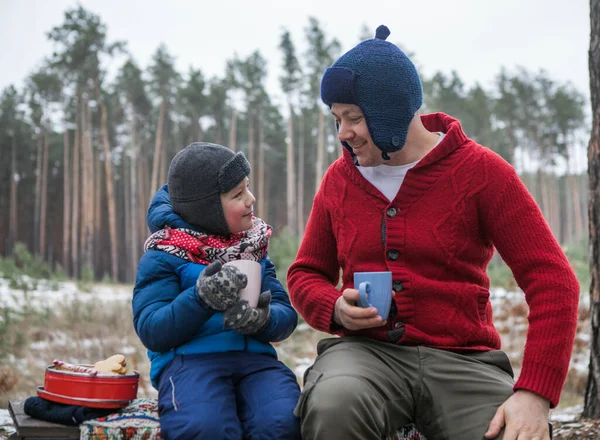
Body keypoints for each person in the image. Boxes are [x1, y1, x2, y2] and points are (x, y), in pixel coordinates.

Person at [287, 25, 579, 440]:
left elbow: (553, 280)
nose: (343, 133)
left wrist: (535, 392)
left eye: (354, 118)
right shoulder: (339, 179)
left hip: (465, 361)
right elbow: (304, 273)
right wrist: (333, 307)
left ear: (391, 111)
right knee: (333, 407)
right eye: (336, 119)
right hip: (364, 357)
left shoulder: (481, 171)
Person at [132, 142, 302, 440]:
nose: (251, 199)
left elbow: (285, 313)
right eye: (238, 194)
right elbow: (151, 329)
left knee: (283, 422)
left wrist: (263, 320)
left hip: (257, 363)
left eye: (247, 187)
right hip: (189, 364)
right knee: (204, 427)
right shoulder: (163, 254)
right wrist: (200, 299)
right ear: (206, 208)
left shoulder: (253, 247)